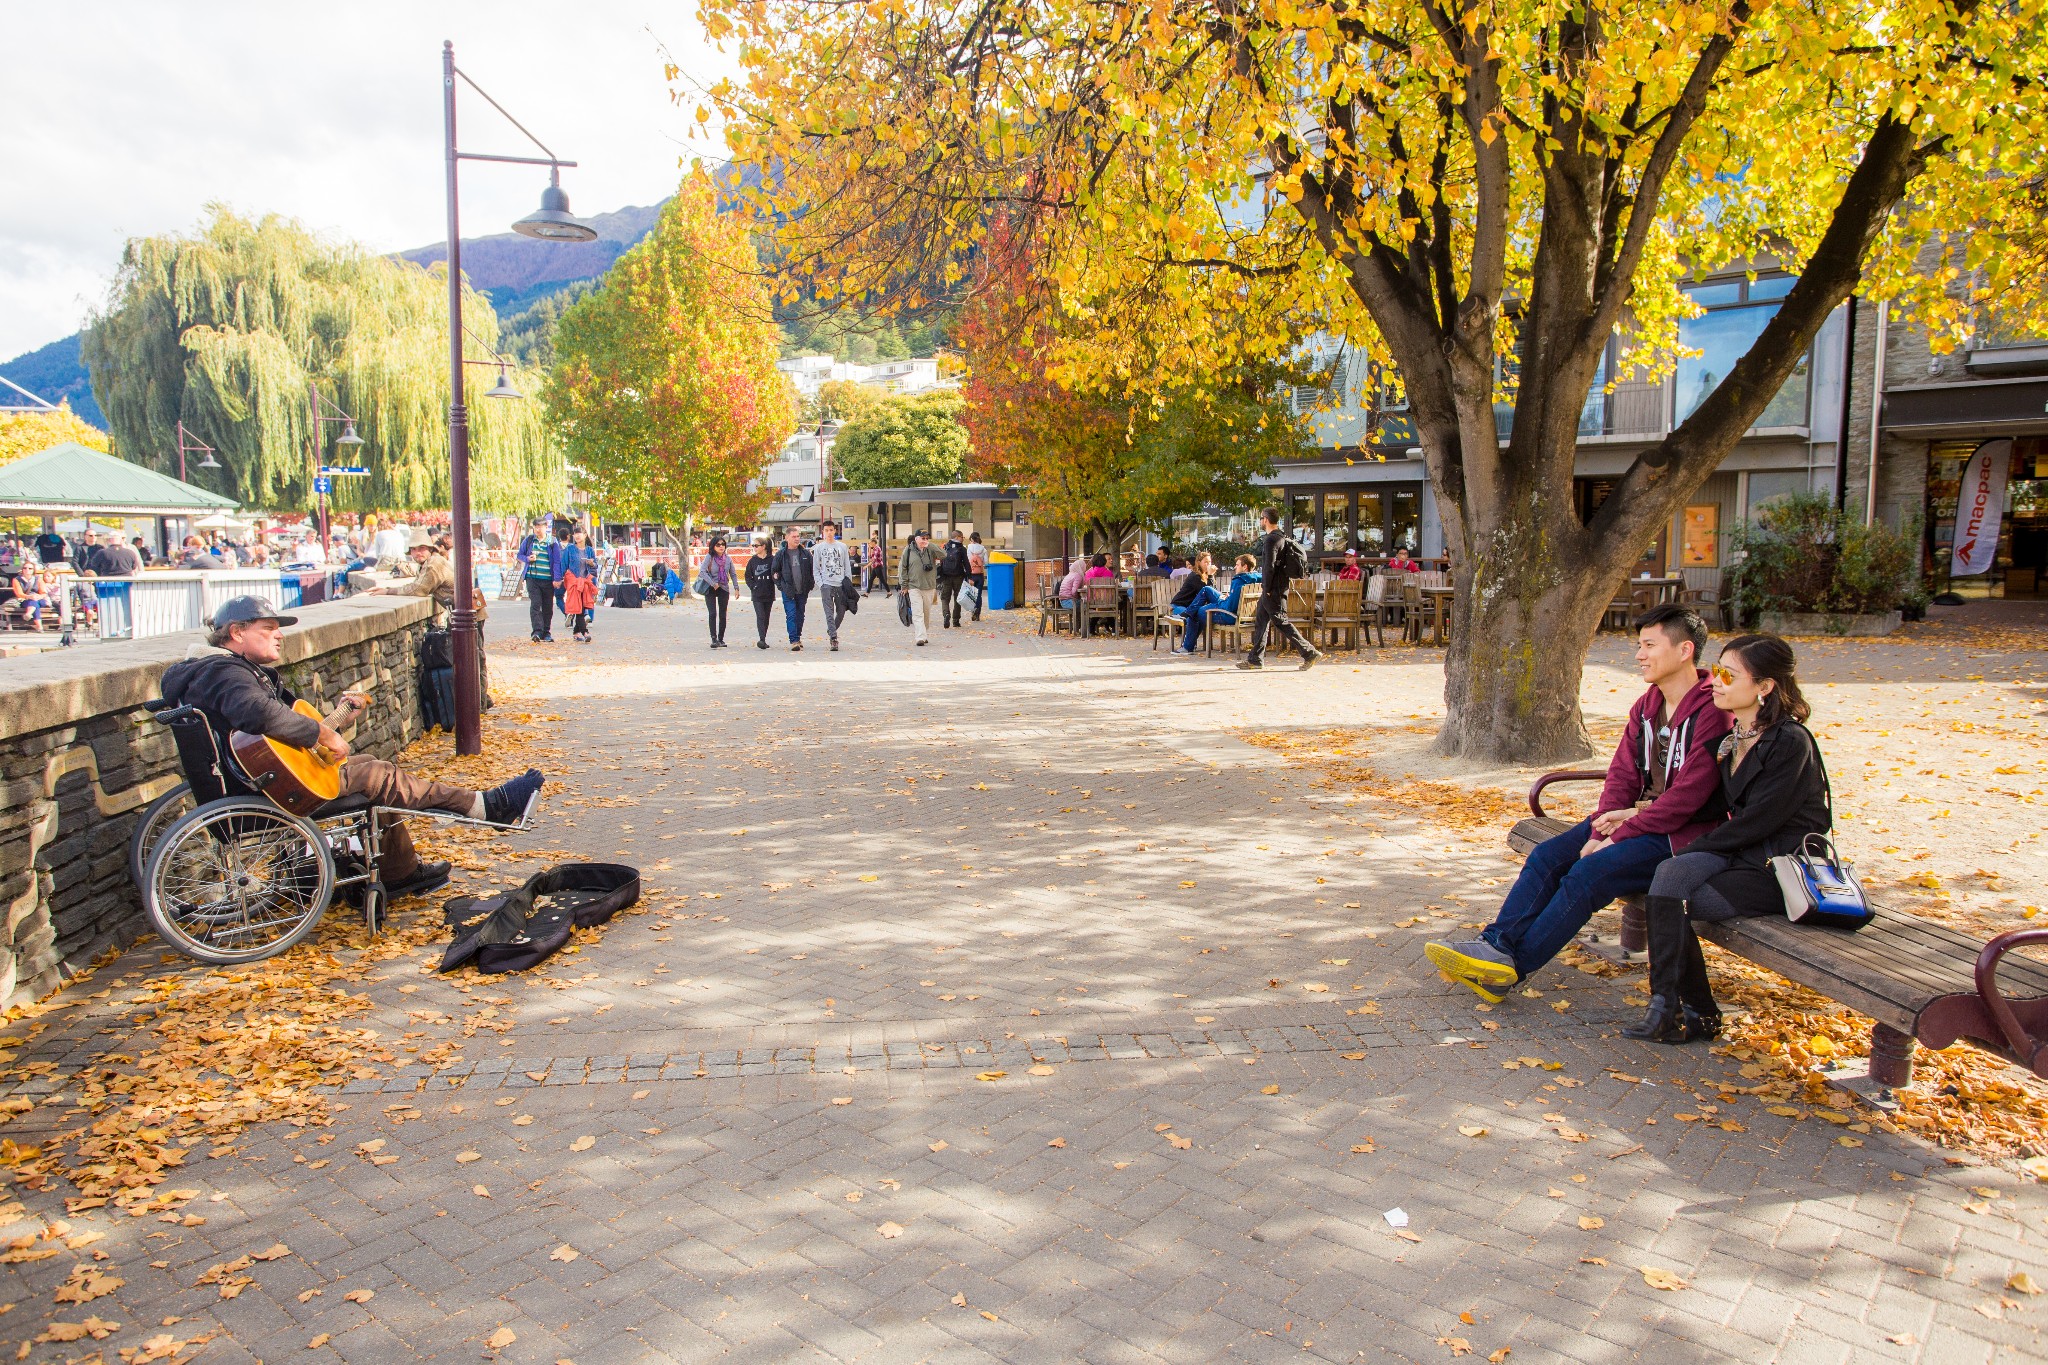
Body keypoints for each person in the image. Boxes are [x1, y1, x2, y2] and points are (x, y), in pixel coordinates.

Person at [1425, 605, 1732, 1001]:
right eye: (1640, 645)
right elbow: (1621, 774)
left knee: (1588, 874)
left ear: (1685, 650)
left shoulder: (1713, 711)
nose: (1639, 655)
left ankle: (1510, 970)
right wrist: (1605, 821)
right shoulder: (1648, 706)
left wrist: (1615, 838)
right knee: (1549, 856)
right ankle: (1496, 946)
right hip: (1633, 820)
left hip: (1681, 837)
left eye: (1649, 645)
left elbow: (1689, 796)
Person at [160, 596, 545, 900]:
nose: (278, 635)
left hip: (259, 776)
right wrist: (323, 736)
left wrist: (339, 720)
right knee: (376, 775)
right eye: (268, 628)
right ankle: (483, 806)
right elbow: (257, 714)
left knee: (370, 767)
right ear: (236, 632)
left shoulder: (223, 672)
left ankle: (400, 872)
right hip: (262, 789)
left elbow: (278, 731)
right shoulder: (223, 671)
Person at [1626, 634, 1831, 1045]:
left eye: (1727, 674)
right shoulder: (1730, 741)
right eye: (1716, 670)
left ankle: (1689, 1011)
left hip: (1777, 867)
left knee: (1670, 895)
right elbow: (1711, 807)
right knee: (1667, 881)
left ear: (1765, 687)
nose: (1714, 681)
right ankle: (1671, 1007)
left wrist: (1695, 847)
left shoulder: (1790, 742)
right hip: (1739, 854)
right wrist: (1641, 814)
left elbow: (1759, 821)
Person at [1238, 508, 1321, 671]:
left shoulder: (1271, 540)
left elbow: (1269, 567)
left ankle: (1309, 652)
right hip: (1277, 585)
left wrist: (1267, 588)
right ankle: (1255, 659)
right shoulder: (1281, 537)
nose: (1260, 521)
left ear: (1266, 520)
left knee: (1281, 621)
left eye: (1261, 518)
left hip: (1273, 588)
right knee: (1261, 621)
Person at [1175, 554, 1259, 656]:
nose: (1235, 567)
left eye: (1237, 565)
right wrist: (1227, 597)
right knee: (1207, 590)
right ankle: (1188, 613)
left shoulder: (1239, 580)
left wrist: (1220, 602)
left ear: (1245, 566)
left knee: (1197, 612)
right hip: (1245, 614)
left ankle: (1187, 647)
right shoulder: (1257, 579)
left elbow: (1230, 607)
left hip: (1229, 615)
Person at [770, 523, 815, 651]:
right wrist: (781, 586)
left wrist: (810, 584)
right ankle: (794, 640)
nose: (797, 539)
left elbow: (812, 570)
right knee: (791, 614)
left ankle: (798, 636)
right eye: (794, 536)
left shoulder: (805, 553)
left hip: (803, 590)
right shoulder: (781, 555)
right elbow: (774, 572)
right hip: (788, 590)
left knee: (800, 614)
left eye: (798, 536)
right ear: (787, 538)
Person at [518, 517, 560, 642]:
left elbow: (557, 561)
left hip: (548, 579)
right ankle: (536, 631)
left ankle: (546, 632)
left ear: (546, 527)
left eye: (540, 527)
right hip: (532, 578)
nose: (537, 529)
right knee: (535, 604)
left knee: (547, 606)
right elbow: (519, 555)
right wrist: (527, 559)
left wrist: (557, 578)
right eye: (535, 527)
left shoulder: (552, 542)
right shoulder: (530, 540)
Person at [812, 519, 852, 651]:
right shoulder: (818, 548)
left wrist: (848, 582)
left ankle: (831, 629)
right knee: (829, 612)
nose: (829, 533)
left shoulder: (842, 547)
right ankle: (833, 638)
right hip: (826, 584)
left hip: (840, 583)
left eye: (831, 530)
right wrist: (821, 583)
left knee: (841, 611)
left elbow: (847, 565)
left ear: (835, 530)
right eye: (826, 530)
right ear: (823, 532)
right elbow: (816, 568)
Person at [1166, 553, 1215, 654]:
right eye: (1205, 562)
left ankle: (1189, 645)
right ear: (1198, 563)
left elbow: (1211, 593)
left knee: (1200, 615)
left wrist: (1210, 576)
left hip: (1192, 608)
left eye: (1209, 562)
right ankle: (1187, 647)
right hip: (1179, 605)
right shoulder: (1195, 576)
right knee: (1193, 617)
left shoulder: (1206, 576)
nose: (1208, 564)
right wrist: (1211, 576)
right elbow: (1205, 591)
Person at [899, 528, 939, 646]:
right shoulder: (908, 550)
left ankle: (924, 632)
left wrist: (930, 545)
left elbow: (943, 554)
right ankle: (920, 637)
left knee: (926, 612)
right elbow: (903, 568)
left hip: (929, 586)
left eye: (927, 538)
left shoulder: (930, 549)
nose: (925, 540)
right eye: (923, 538)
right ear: (916, 539)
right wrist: (904, 585)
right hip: (914, 586)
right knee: (917, 612)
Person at [698, 534, 735, 647]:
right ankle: (713, 639)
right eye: (718, 544)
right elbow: (702, 572)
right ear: (713, 546)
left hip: (723, 587)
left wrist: (737, 588)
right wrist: (713, 583)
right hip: (711, 587)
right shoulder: (709, 557)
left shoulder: (728, 559)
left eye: (723, 544)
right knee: (713, 613)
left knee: (723, 614)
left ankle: (721, 639)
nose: (721, 546)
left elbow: (733, 574)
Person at [562, 529, 599, 642]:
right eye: (575, 534)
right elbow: (564, 565)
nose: (577, 536)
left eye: (579, 534)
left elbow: (595, 565)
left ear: (585, 535)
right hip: (574, 581)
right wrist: (560, 579)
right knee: (578, 606)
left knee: (583, 606)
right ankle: (584, 631)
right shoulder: (570, 549)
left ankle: (577, 632)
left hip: (586, 581)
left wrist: (592, 563)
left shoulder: (589, 550)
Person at [745, 534, 779, 648]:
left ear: (763, 546)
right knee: (760, 616)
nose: (754, 548)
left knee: (766, 616)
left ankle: (764, 637)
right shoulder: (752, 561)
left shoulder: (772, 560)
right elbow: (748, 576)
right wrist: (753, 586)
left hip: (768, 592)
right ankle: (762, 639)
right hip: (757, 594)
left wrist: (776, 578)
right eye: (753, 545)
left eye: (756, 545)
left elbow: (777, 573)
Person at [938, 529, 971, 629]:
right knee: (958, 599)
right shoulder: (962, 549)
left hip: (946, 576)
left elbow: (941, 561)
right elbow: (966, 564)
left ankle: (946, 614)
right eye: (962, 537)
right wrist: (970, 577)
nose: (963, 539)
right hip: (958, 576)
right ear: (957, 537)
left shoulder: (944, 546)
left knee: (945, 598)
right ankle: (956, 621)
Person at [966, 532, 989, 620]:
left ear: (971, 539)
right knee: (978, 594)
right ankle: (977, 613)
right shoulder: (983, 549)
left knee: (971, 594)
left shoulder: (968, 548)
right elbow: (986, 562)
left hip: (970, 574)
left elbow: (967, 561)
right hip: (979, 574)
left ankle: (972, 611)